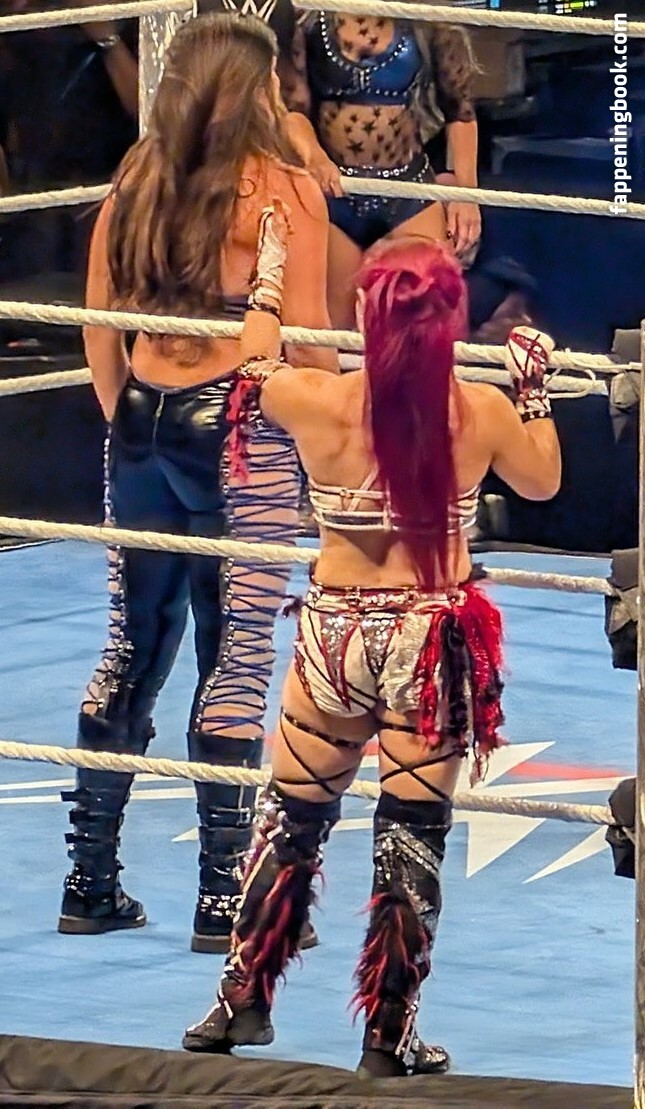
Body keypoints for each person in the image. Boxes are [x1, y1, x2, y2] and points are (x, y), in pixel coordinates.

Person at [182, 205, 562, 1075]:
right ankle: (387, 1033)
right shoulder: (478, 411)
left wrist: (268, 275)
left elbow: (253, 364)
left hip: (334, 631)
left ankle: (239, 999)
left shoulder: (318, 402)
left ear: (364, 315)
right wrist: (532, 386)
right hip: (427, 636)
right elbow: (542, 481)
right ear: (451, 322)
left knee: (292, 818)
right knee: (411, 832)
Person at [58, 13, 335, 955]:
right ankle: (225, 900)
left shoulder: (136, 178)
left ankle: (89, 881)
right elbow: (309, 343)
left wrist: (129, 425)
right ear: (257, 92)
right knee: (238, 651)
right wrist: (332, 457)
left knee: (131, 645)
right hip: (241, 426)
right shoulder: (284, 194)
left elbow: (100, 322)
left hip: (143, 411)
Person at [281, 12, 482, 327]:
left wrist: (466, 194)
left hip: (409, 189)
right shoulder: (309, 27)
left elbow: (461, 113)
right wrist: (314, 155)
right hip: (338, 192)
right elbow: (293, 112)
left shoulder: (426, 24)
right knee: (332, 326)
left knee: (433, 316)